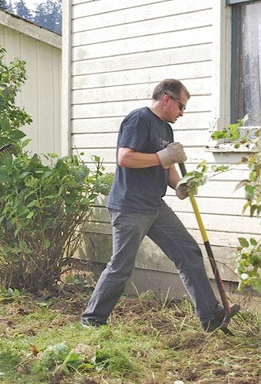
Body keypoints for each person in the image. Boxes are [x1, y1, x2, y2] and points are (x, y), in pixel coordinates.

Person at [80, 78, 227, 332]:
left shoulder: (166, 129)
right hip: (129, 206)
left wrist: (180, 185)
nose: (182, 114)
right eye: (181, 107)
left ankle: (210, 316)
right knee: (121, 267)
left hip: (155, 206)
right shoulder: (139, 120)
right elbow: (125, 158)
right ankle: (92, 320)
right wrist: (163, 156)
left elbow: (166, 167)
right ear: (167, 98)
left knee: (188, 251)